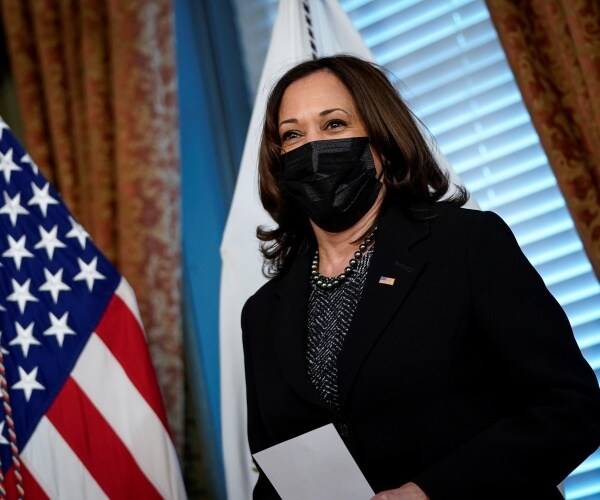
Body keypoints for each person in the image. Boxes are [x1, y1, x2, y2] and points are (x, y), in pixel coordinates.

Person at [241, 55, 600, 499]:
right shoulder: (261, 314)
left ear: (383, 141)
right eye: (292, 134)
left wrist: (429, 492)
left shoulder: (467, 244)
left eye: (333, 125)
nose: (313, 149)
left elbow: (572, 408)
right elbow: (277, 471)